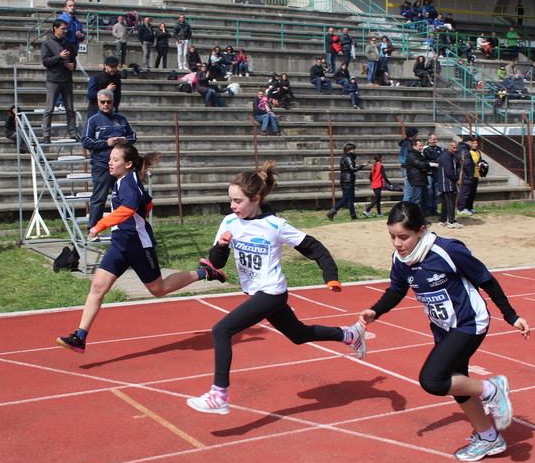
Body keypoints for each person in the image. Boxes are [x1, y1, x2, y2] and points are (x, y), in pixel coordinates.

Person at [186, 161, 366, 414]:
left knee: (221, 331)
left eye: (237, 201)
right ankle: (349, 335)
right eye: (231, 200)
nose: (232, 206)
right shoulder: (229, 222)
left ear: (256, 199)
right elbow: (216, 264)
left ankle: (219, 395)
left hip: (271, 292)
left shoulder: (275, 226)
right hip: (258, 292)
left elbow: (315, 248)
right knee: (299, 335)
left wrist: (331, 276)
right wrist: (222, 246)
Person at [358, 201, 530, 462]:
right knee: (458, 384)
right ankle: (488, 438)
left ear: (421, 231)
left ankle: (492, 388)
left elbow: (486, 280)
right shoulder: (401, 259)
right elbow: (396, 289)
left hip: (469, 323)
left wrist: (511, 315)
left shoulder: (447, 251)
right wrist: (376, 311)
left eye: (403, 237)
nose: (397, 243)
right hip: (443, 328)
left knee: (433, 380)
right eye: (392, 236)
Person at [56, 144, 227, 354]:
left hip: (138, 245)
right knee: (98, 287)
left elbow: (128, 208)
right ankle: (80, 337)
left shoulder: (128, 182)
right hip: (121, 243)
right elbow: (147, 203)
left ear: (128, 164)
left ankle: (205, 272)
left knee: (158, 289)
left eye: (115, 159)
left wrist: (101, 225)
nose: (110, 162)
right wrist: (138, 218)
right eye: (110, 159)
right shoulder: (125, 180)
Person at [82, 89, 136, 236]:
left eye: (109, 102)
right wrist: (106, 142)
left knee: (123, 198)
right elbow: (86, 141)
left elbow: (133, 135)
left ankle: (123, 229)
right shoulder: (93, 120)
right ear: (98, 103)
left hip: (121, 167)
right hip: (102, 165)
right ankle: (92, 230)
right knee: (99, 198)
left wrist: (126, 140)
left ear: (113, 102)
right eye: (103, 102)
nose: (106, 104)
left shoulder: (121, 119)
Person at [40, 19, 78, 144]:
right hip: (54, 80)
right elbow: (46, 62)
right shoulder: (47, 43)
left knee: (70, 108)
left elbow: (73, 60)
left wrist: (73, 66)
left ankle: (73, 133)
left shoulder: (69, 44)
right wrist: (59, 57)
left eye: (66, 29)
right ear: (55, 28)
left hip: (67, 79)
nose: (65, 31)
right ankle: (46, 135)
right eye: (63, 28)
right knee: (49, 109)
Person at [327, 143, 370, 221]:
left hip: (345, 179)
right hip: (348, 180)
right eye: (354, 149)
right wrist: (362, 166)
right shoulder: (348, 157)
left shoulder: (345, 157)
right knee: (350, 199)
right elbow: (352, 169)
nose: (355, 151)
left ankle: (333, 212)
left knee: (345, 198)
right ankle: (353, 216)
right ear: (351, 150)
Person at [437, 140, 462, 228]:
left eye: (456, 148)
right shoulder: (445, 156)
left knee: (446, 203)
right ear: (449, 147)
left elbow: (456, 161)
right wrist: (457, 180)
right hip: (446, 183)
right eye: (454, 148)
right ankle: (452, 220)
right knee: (450, 203)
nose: (455, 150)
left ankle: (443, 220)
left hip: (449, 183)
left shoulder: (451, 156)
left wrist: (460, 162)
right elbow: (449, 172)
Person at [406, 138, 429, 212]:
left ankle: (422, 216)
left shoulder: (419, 154)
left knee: (425, 199)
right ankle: (414, 217)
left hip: (422, 179)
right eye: (420, 146)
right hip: (416, 179)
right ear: (414, 146)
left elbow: (424, 164)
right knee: (416, 200)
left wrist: (426, 166)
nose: (421, 147)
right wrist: (426, 165)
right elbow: (420, 164)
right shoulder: (411, 155)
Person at [456, 137, 477, 215]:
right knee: (465, 192)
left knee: (465, 191)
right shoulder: (465, 151)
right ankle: (461, 208)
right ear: (468, 142)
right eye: (472, 142)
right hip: (465, 175)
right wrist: (470, 174)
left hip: (464, 174)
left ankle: (462, 207)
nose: (473, 144)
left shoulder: (462, 149)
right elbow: (467, 163)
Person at [422, 133, 442, 216]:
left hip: (437, 173)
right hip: (429, 173)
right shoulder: (425, 149)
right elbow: (423, 161)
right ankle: (427, 209)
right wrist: (433, 164)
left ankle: (434, 209)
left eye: (436, 139)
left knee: (436, 194)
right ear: (429, 139)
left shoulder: (439, 149)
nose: (435, 141)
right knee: (429, 193)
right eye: (433, 139)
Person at [399, 127, 416, 201]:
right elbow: (405, 158)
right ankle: (404, 208)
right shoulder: (407, 144)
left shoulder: (406, 143)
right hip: (407, 168)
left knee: (410, 191)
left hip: (406, 168)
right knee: (409, 191)